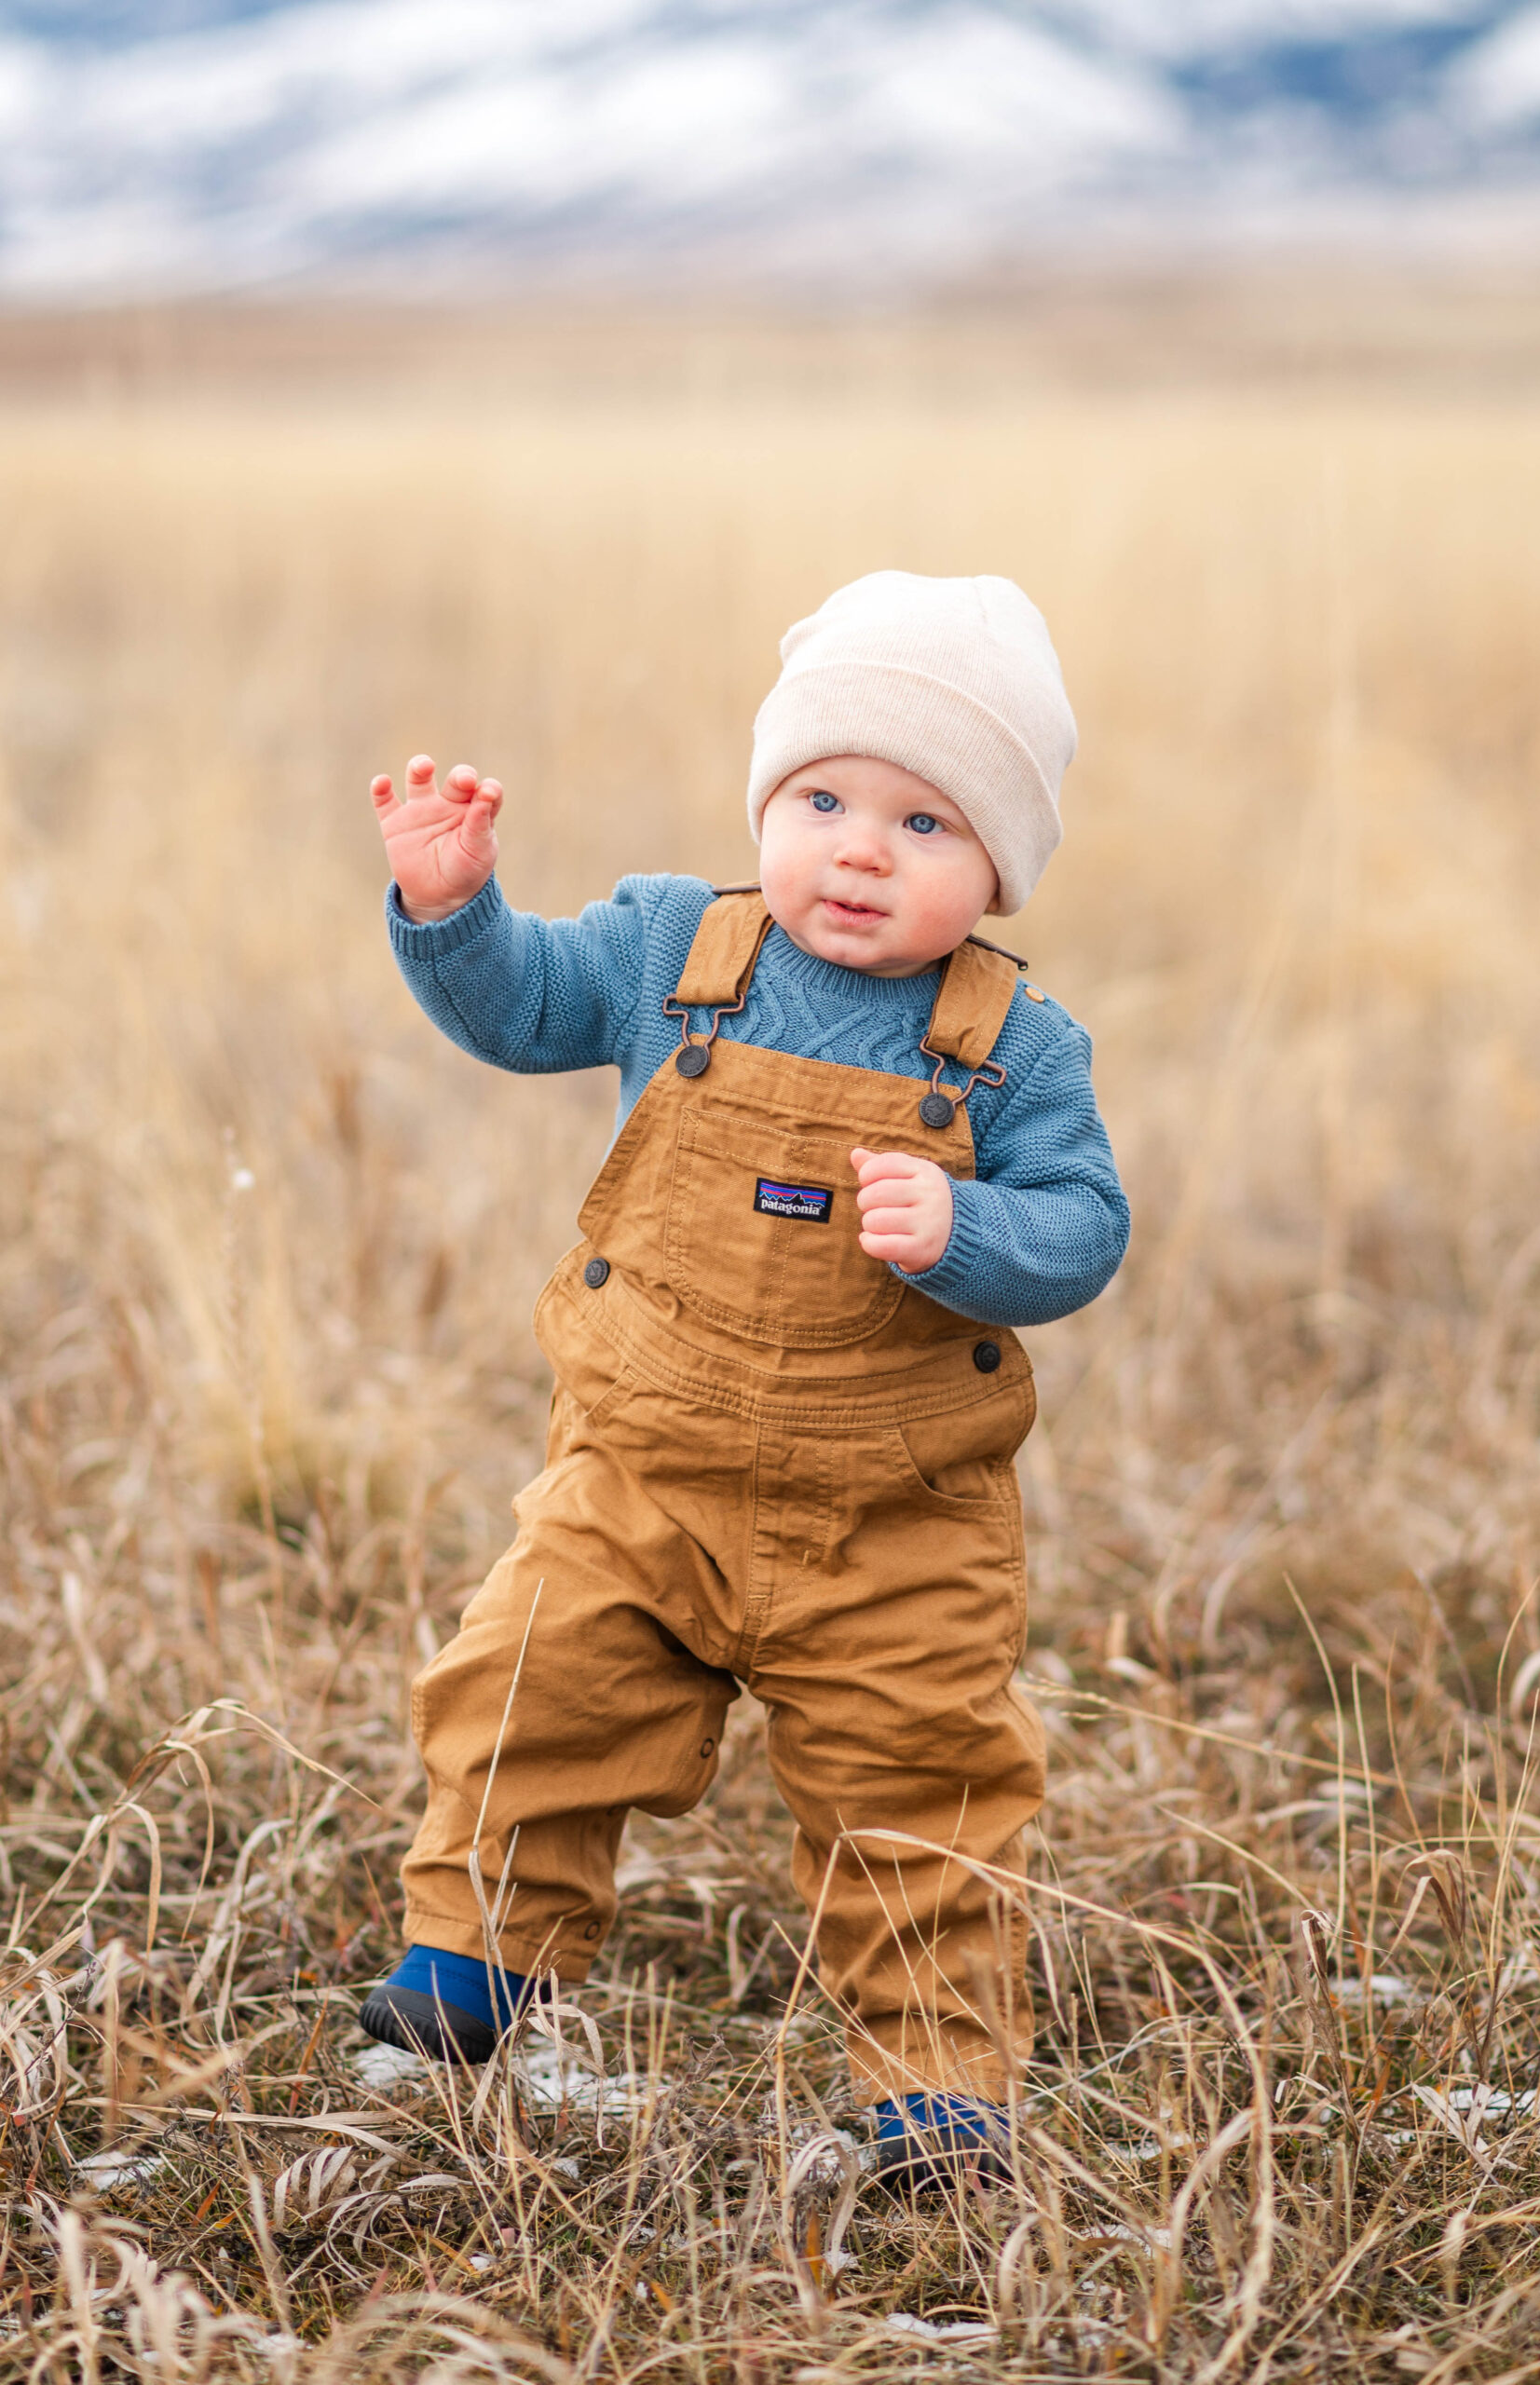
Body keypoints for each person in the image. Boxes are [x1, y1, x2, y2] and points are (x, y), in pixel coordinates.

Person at [359, 570, 1128, 2190]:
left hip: (892, 1527)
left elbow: (1086, 1230)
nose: (861, 847)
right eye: (827, 797)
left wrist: (975, 1225)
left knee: (924, 1791)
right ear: (769, 798)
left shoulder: (1013, 1047)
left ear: (1001, 866)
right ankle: (473, 1964)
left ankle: (938, 2092)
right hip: (642, 1479)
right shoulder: (667, 949)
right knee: (526, 1685)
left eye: (928, 824)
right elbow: (524, 1010)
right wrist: (453, 913)